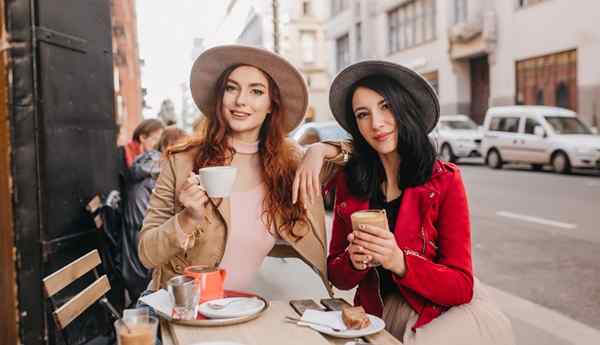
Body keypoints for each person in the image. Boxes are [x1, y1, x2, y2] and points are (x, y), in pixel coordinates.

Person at [294, 61, 514, 344]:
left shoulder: (444, 180)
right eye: (363, 114)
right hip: (381, 311)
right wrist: (353, 261)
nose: (376, 123)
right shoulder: (351, 182)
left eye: (386, 106)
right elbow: (339, 277)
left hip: (442, 311)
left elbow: (462, 285)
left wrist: (398, 260)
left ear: (404, 108)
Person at [137, 45, 332, 296]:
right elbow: (145, 254)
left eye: (256, 91)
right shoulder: (183, 160)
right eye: (231, 88)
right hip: (182, 312)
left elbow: (362, 152)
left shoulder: (290, 163)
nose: (241, 100)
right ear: (221, 97)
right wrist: (187, 219)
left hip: (239, 312)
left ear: (271, 104)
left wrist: (321, 149)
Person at [119, 119, 165, 303]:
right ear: (142, 137)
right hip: (137, 225)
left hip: (140, 224)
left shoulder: (145, 160)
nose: (157, 144)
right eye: (155, 139)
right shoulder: (147, 160)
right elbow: (135, 173)